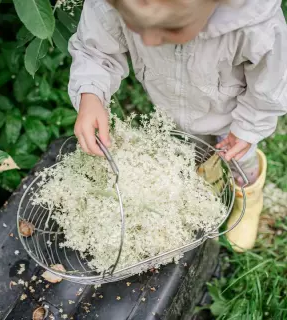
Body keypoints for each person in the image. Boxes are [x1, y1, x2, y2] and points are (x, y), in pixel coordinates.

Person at [68, 0, 287, 252]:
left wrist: (249, 127)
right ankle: (206, 188)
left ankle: (248, 194)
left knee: (241, 159)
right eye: (136, 27)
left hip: (235, 115)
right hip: (173, 109)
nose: (148, 42)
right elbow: (96, 50)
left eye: (170, 30)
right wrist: (91, 94)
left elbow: (269, 86)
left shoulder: (255, 25)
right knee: (193, 154)